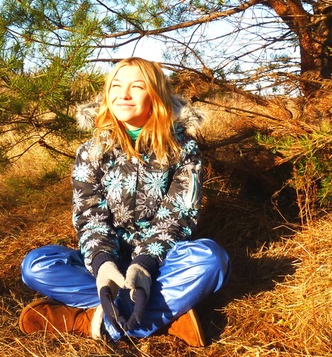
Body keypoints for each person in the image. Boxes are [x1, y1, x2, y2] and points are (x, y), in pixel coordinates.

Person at [18, 57, 230, 347]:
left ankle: (92, 321)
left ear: (156, 96)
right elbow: (89, 217)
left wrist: (144, 265)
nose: (124, 94)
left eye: (137, 87)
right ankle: (163, 313)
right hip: (107, 261)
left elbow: (177, 218)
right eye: (116, 86)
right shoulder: (90, 151)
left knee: (211, 260)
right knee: (36, 266)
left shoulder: (183, 150)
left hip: (160, 263)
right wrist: (103, 264)